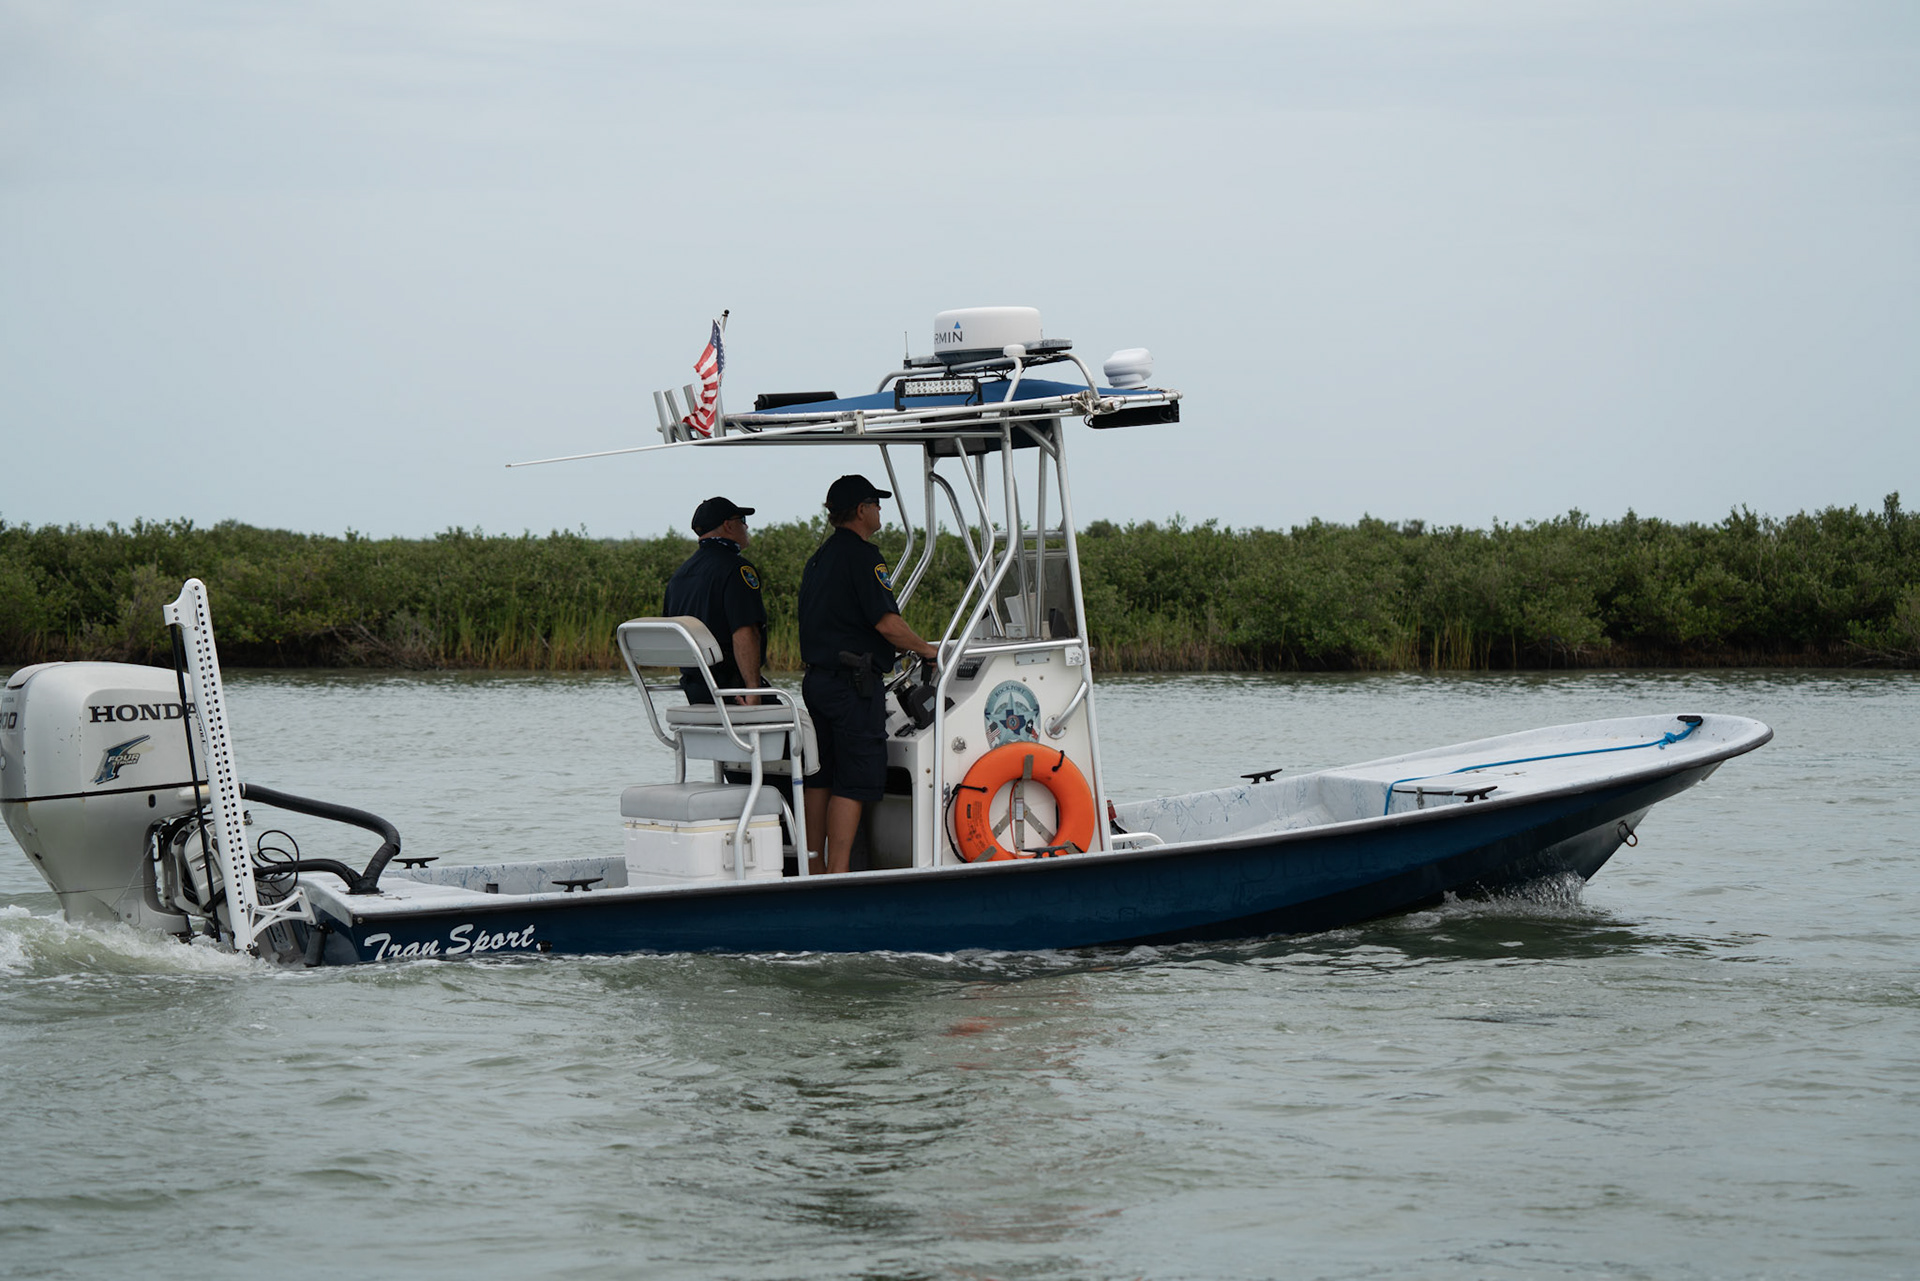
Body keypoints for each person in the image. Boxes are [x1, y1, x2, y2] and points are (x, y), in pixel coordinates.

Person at [798, 474, 940, 875]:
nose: (880, 510)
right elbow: (887, 624)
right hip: (852, 686)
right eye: (876, 504)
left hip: (818, 683)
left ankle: (816, 867)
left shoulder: (818, 559)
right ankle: (838, 876)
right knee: (854, 781)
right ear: (861, 510)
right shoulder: (864, 557)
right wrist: (928, 650)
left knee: (821, 774)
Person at [662, 496, 767, 706]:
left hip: (696, 692)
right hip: (732, 691)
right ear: (728, 525)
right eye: (742, 519)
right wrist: (753, 691)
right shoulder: (737, 569)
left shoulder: (679, 576)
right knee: (799, 728)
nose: (746, 526)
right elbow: (745, 632)